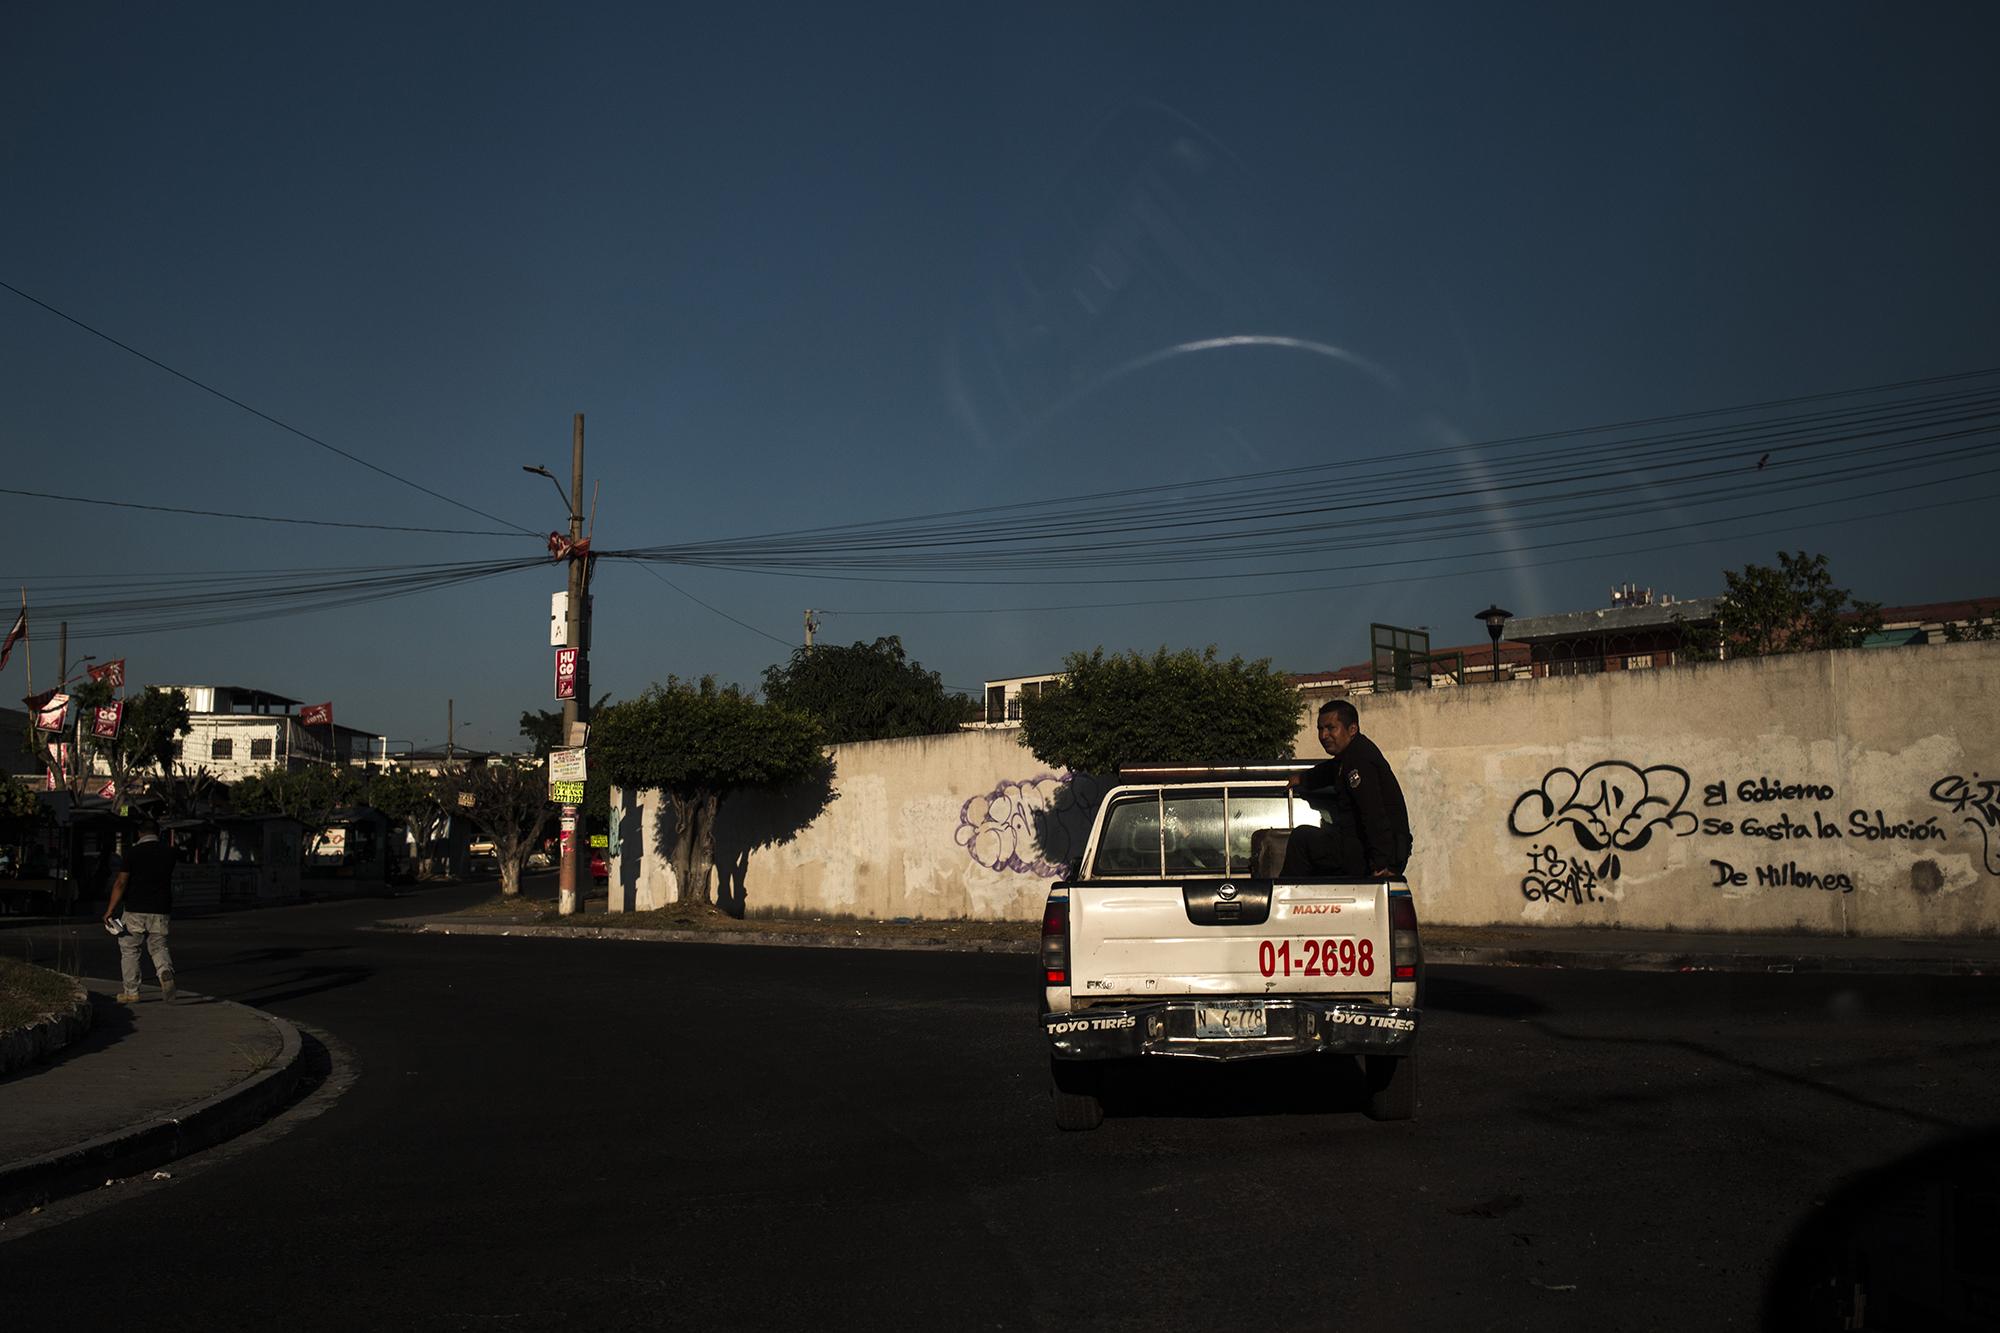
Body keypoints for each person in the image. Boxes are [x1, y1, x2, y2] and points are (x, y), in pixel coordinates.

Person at [1280, 698, 1413, 878]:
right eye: (1320, 729)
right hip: (1362, 851)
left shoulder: (1359, 761)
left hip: (1372, 856)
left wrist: (1382, 864)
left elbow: (1373, 813)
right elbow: (1329, 771)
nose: (1323, 735)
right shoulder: (1350, 755)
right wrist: (1302, 778)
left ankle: (1286, 899)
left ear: (1352, 729)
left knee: (1301, 838)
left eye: (1330, 728)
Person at [102, 818, 177, 1003]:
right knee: (159, 946)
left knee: (130, 950)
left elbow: (121, 883)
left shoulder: (133, 853)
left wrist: (110, 910)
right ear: (158, 833)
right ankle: (164, 972)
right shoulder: (170, 853)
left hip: (135, 908)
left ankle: (131, 992)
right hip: (161, 908)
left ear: (139, 833)